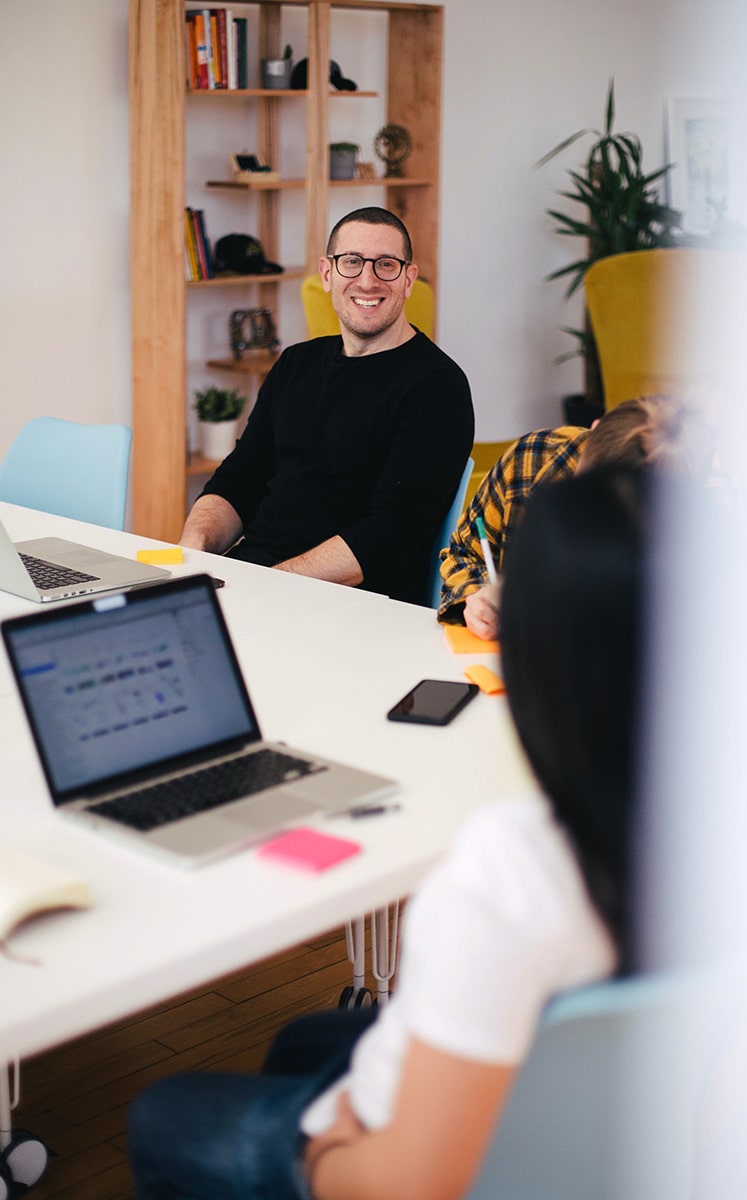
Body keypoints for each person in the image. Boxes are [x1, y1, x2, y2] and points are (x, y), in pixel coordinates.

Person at [128, 466, 651, 1200]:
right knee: (298, 1042)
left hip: (398, 1151)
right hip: (595, 1126)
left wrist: (326, 1150)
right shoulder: (742, 831)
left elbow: (410, 1181)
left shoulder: (512, 865)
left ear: (540, 663)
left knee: (163, 1112)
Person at [180, 207, 474, 606]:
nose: (366, 281)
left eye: (385, 265)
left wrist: (265, 582)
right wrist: (190, 554)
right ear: (327, 274)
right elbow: (239, 479)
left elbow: (389, 533)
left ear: (408, 279)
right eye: (351, 262)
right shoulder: (295, 364)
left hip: (352, 604)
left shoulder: (437, 386)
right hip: (257, 584)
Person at [440, 393, 710, 640]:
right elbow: (463, 552)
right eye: (584, 489)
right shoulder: (533, 460)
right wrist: (476, 597)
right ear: (594, 429)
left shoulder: (700, 533)